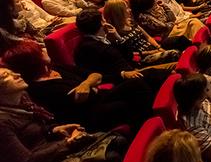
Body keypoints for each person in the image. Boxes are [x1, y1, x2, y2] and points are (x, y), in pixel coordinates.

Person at [2, 40, 154, 131]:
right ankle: (151, 127)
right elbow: (85, 99)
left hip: (99, 98)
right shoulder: (39, 88)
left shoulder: (55, 68)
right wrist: (91, 84)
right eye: (39, 51)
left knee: (144, 80)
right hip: (88, 116)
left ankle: (155, 121)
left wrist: (87, 83)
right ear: (33, 61)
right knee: (132, 91)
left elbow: (95, 74)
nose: (43, 49)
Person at [0, 67, 89, 162]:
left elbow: (38, 128)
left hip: (48, 150)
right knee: (109, 157)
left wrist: (54, 130)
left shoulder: (23, 97)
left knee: (114, 144)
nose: (18, 74)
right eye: (7, 75)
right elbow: (26, 161)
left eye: (13, 72)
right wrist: (68, 143)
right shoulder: (2, 122)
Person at [73, 8, 171, 90]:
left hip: (134, 68)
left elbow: (129, 55)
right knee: (171, 73)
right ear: (102, 23)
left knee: (174, 67)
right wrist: (123, 74)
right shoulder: (86, 48)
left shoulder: (105, 37)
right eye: (103, 19)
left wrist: (118, 38)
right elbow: (94, 74)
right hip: (127, 80)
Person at [103, 0, 179, 67]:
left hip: (154, 48)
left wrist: (159, 47)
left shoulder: (130, 22)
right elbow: (128, 54)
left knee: (179, 40)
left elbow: (148, 37)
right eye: (126, 8)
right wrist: (152, 52)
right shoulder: (113, 34)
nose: (129, 10)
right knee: (174, 53)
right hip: (143, 58)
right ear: (118, 13)